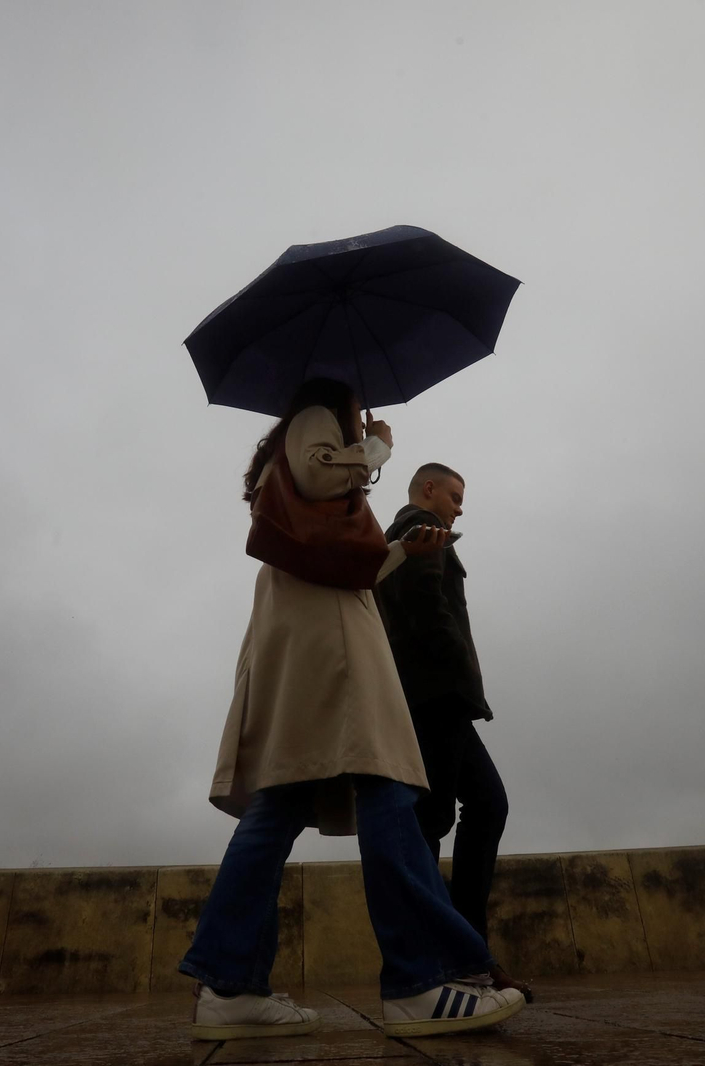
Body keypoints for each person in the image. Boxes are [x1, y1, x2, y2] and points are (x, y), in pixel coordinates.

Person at [180, 378, 526, 1040]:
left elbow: (344, 564)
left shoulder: (293, 453)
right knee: (385, 787)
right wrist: (377, 447)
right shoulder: (317, 417)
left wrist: (399, 553)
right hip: (332, 644)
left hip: (309, 633)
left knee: (282, 802)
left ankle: (229, 984)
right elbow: (320, 475)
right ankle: (420, 982)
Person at [376, 463, 529, 1001]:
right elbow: (427, 607)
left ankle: (468, 951)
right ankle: (452, 960)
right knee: (436, 819)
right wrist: (461, 671)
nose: (459, 508)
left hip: (430, 695)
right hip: (436, 695)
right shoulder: (422, 528)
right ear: (429, 489)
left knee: (483, 804)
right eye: (455, 496)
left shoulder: (403, 534)